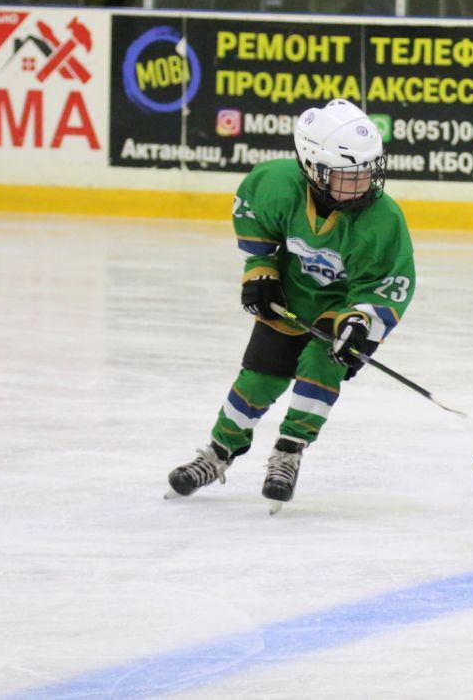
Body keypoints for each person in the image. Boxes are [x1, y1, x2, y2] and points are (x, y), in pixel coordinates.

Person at [166, 99, 415, 512]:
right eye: (347, 175)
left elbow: (386, 283)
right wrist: (260, 268)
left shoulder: (382, 218)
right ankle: (218, 452)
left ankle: (289, 451)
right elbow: (253, 220)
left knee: (321, 369)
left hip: (341, 308)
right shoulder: (276, 184)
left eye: (367, 171)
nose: (363, 182)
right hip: (290, 299)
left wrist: (360, 323)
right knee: (257, 379)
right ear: (313, 169)